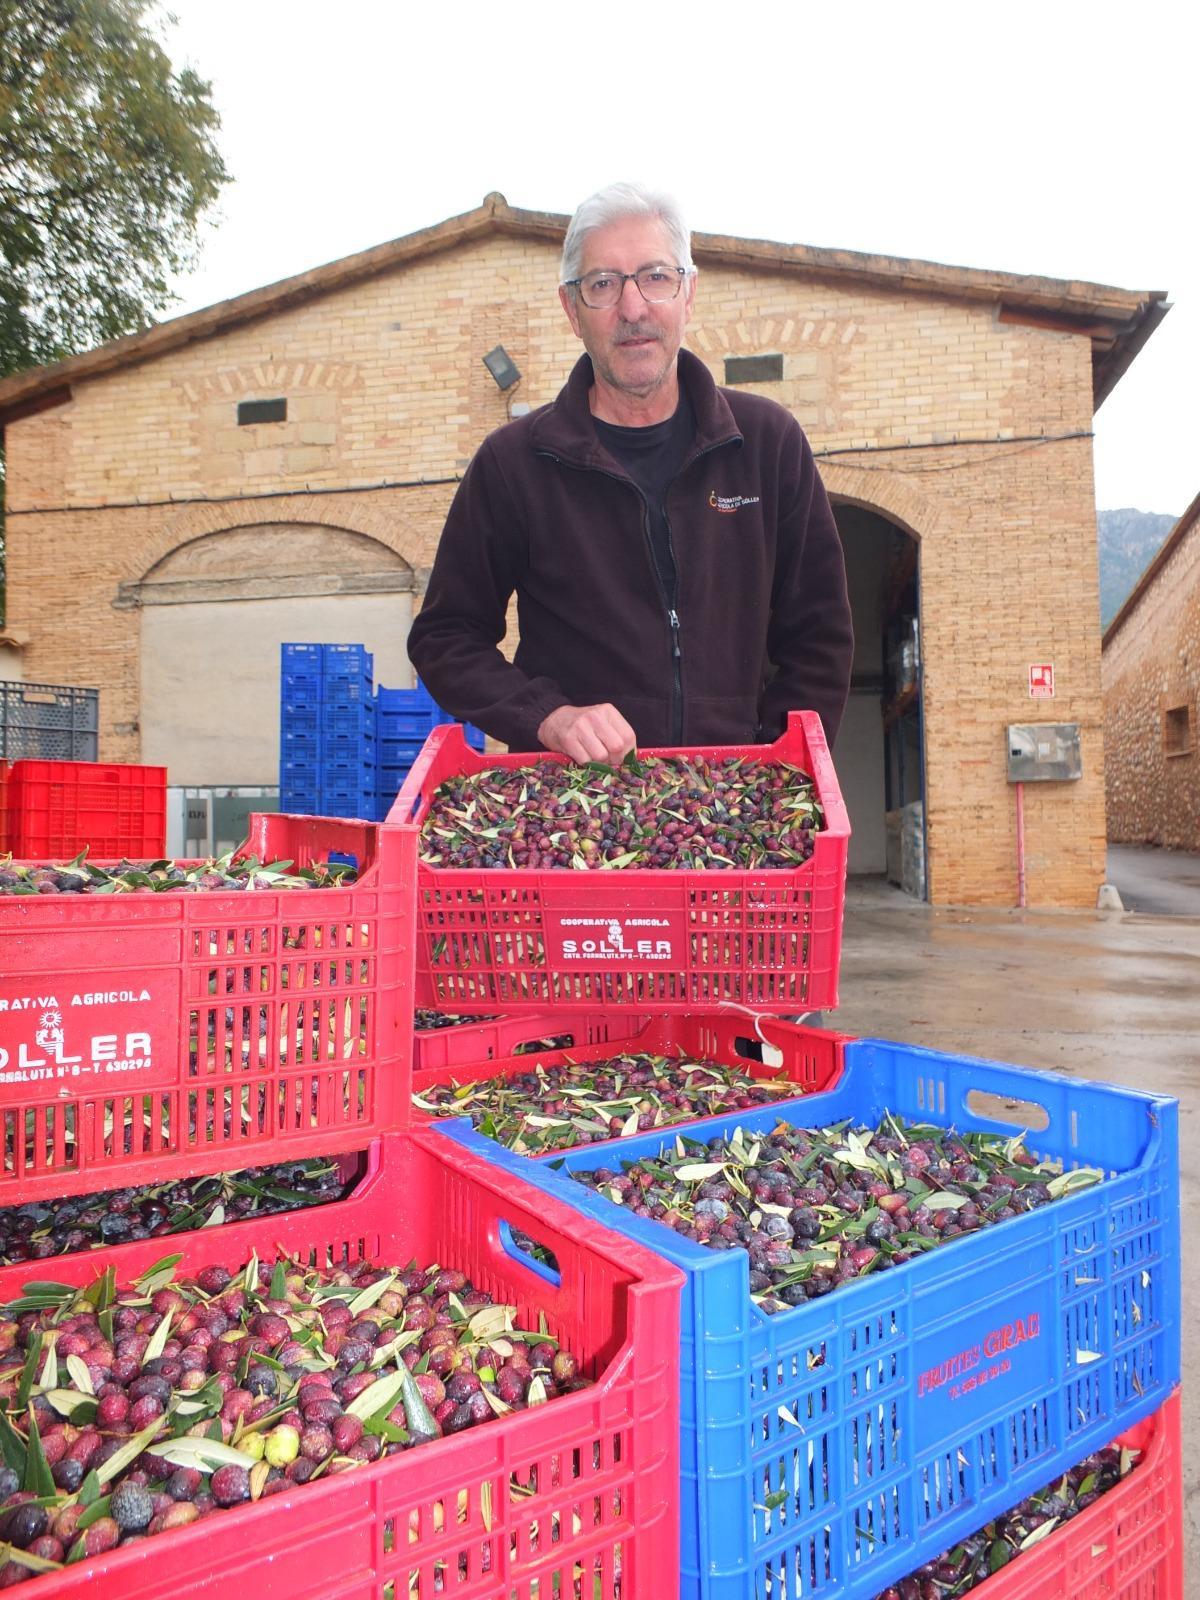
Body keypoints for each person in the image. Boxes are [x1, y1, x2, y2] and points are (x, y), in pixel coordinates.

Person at [408, 181, 853, 763]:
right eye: (603, 284)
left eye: (656, 277)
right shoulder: (513, 465)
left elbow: (819, 638)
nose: (633, 307)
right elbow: (445, 638)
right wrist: (548, 716)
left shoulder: (767, 444)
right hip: (572, 814)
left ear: (688, 294)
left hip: (733, 813)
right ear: (572, 310)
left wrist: (774, 769)